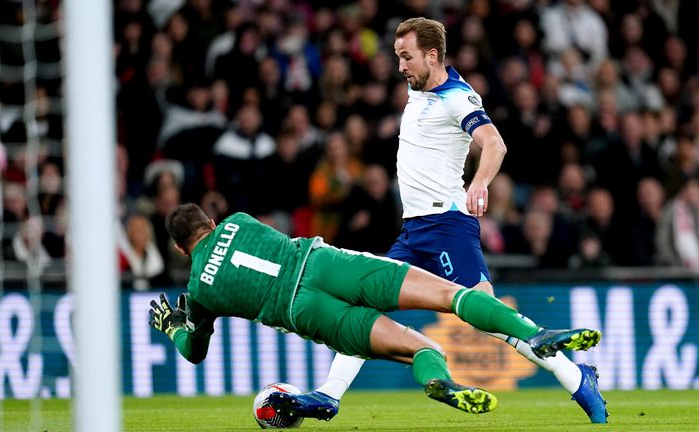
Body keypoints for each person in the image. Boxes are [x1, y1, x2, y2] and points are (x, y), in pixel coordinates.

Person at [283, 18, 609, 424]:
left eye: (406, 57)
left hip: (446, 225)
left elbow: (494, 143)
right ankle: (329, 395)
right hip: (414, 229)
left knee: (486, 315)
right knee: (363, 305)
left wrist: (480, 183)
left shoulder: (458, 98)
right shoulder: (419, 86)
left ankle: (576, 376)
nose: (400, 66)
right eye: (398, 57)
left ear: (432, 55)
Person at [149, 203, 602, 419]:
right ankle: (534, 333)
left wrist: (175, 328)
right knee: (449, 294)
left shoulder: (198, 289)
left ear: (178, 248)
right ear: (210, 220)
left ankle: (437, 381)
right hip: (325, 264)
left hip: (302, 311)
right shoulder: (239, 220)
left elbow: (193, 350)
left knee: (420, 346)